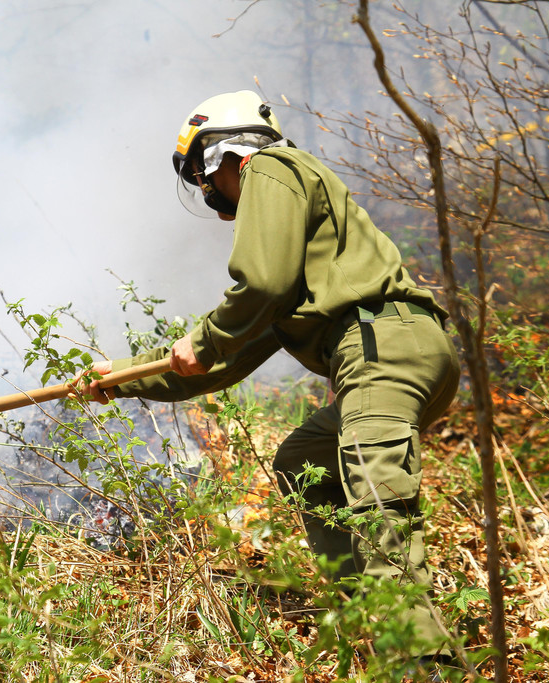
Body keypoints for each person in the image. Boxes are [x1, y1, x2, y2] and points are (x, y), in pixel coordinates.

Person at [83, 90, 461, 660]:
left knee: (378, 497)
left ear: (223, 157)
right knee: (304, 462)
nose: (208, 196)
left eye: (202, 178)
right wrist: (122, 378)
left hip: (384, 348)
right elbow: (219, 361)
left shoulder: (273, 168)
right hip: (394, 351)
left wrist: (206, 336)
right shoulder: (297, 273)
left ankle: (423, 663)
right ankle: (381, 614)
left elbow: (255, 288)